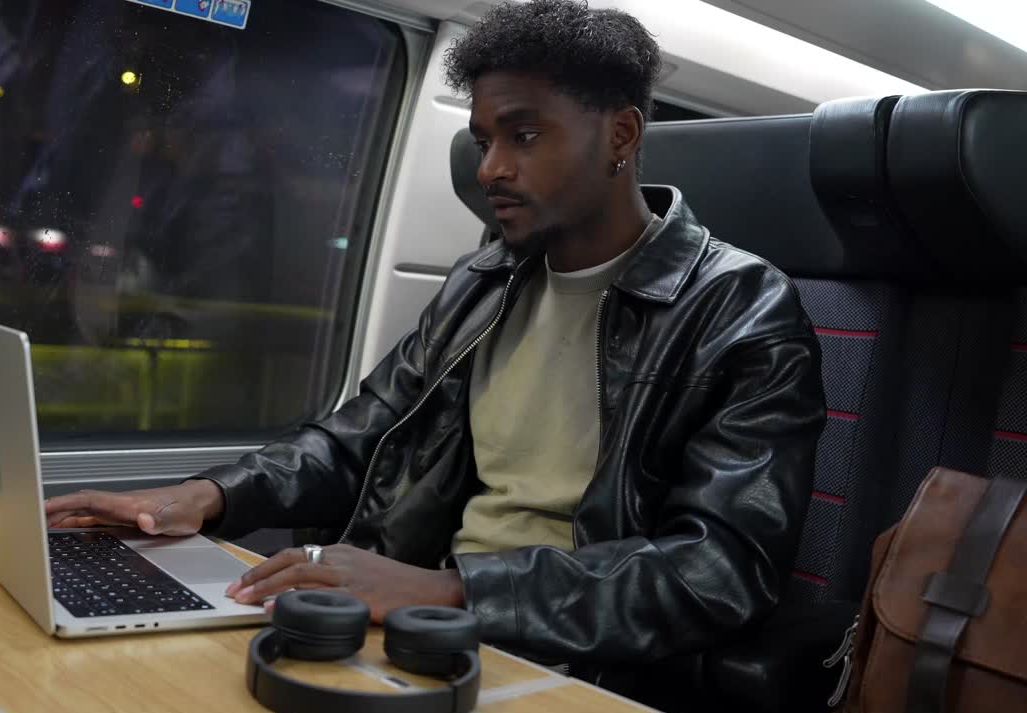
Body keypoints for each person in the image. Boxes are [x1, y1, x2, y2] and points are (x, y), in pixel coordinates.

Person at [45, 0, 826, 676]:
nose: (490, 169)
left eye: (523, 136)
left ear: (621, 134)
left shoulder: (740, 308)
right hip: (426, 623)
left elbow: (720, 571)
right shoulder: (485, 282)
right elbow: (355, 440)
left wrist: (453, 590)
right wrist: (207, 497)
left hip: (579, 655)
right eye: (484, 140)